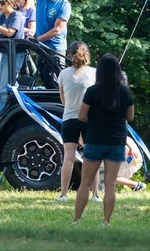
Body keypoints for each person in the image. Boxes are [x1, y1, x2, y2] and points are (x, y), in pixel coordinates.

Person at [74, 53, 134, 225]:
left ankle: (77, 220)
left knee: (85, 183)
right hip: (116, 142)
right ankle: (106, 221)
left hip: (95, 140)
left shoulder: (92, 91)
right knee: (110, 185)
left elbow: (81, 116)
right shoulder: (125, 91)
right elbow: (129, 116)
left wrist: (94, 119)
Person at [57, 41, 101, 202]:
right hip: (89, 120)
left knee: (68, 158)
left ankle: (63, 195)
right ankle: (95, 194)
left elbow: (63, 101)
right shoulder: (94, 73)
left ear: (70, 56)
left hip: (69, 119)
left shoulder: (63, 74)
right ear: (87, 55)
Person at [26, 0, 71, 89]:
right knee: (44, 77)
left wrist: (37, 39)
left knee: (55, 82)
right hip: (41, 45)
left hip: (55, 48)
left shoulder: (64, 5)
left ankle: (59, 108)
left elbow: (57, 30)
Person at [0, 0, 25, 114]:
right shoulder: (3, 16)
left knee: (5, 89)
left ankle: (1, 117)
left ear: (11, 3)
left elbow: (10, 32)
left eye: (3, 3)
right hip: (5, 55)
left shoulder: (16, 16)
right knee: (0, 88)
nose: (0, 5)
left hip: (15, 56)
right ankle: (0, 114)